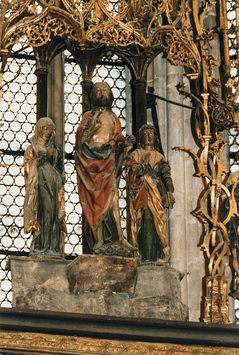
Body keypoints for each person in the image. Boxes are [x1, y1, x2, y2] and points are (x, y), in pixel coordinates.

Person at [75, 81, 135, 254]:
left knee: (113, 194)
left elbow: (116, 139)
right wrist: (90, 130)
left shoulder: (113, 117)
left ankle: (119, 238)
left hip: (107, 160)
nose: (102, 93)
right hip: (90, 163)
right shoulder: (88, 116)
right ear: (92, 95)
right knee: (95, 201)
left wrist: (125, 143)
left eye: (105, 91)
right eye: (98, 91)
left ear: (110, 96)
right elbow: (80, 139)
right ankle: (99, 240)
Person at [127, 124, 175, 262]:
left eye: (151, 133)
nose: (148, 136)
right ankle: (145, 257)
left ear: (156, 137)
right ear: (141, 137)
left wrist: (170, 191)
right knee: (145, 221)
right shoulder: (136, 154)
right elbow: (131, 172)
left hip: (157, 195)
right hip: (142, 195)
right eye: (145, 134)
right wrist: (142, 166)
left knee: (158, 225)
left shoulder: (159, 157)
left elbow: (166, 176)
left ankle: (157, 257)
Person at [24, 117, 66, 256]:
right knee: (45, 212)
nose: (48, 132)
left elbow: (59, 171)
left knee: (54, 214)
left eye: (51, 129)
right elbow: (29, 168)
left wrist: (58, 161)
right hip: (41, 185)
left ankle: (53, 247)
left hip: (54, 185)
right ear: (39, 130)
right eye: (45, 128)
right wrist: (44, 157)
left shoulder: (52, 149)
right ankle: (41, 246)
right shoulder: (32, 148)